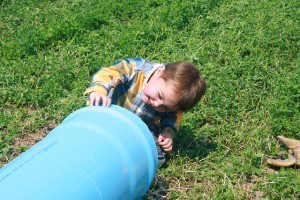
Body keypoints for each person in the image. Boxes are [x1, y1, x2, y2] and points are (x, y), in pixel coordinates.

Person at [84, 58, 206, 167]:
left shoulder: (171, 103)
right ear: (159, 72)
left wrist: (167, 133)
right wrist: (98, 91)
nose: (157, 104)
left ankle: (129, 163)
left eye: (165, 107)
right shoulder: (135, 70)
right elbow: (107, 73)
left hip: (140, 128)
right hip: (109, 114)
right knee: (91, 136)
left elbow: (174, 117)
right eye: (159, 95)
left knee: (157, 157)